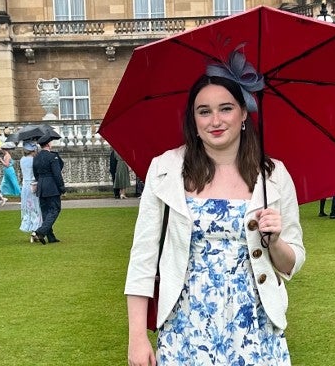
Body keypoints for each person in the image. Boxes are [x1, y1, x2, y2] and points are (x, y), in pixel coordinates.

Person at [125, 73, 304, 365]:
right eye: (204, 111)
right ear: (193, 120)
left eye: (226, 108)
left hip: (254, 326)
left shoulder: (273, 176)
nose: (215, 120)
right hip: (185, 325)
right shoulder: (165, 170)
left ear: (244, 113)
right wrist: (137, 338)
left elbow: (292, 263)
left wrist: (274, 242)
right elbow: (142, 259)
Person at [32, 136, 66, 244]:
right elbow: (57, 174)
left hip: (41, 185)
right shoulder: (52, 157)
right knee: (55, 209)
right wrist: (61, 187)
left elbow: (36, 174)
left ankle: (50, 237)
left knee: (46, 212)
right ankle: (40, 232)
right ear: (48, 144)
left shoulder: (36, 157)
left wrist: (41, 182)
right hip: (51, 186)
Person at [19, 142, 42, 241]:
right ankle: (35, 230)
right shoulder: (34, 160)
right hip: (33, 185)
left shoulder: (22, 160)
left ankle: (31, 227)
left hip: (25, 186)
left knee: (29, 208)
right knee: (37, 208)